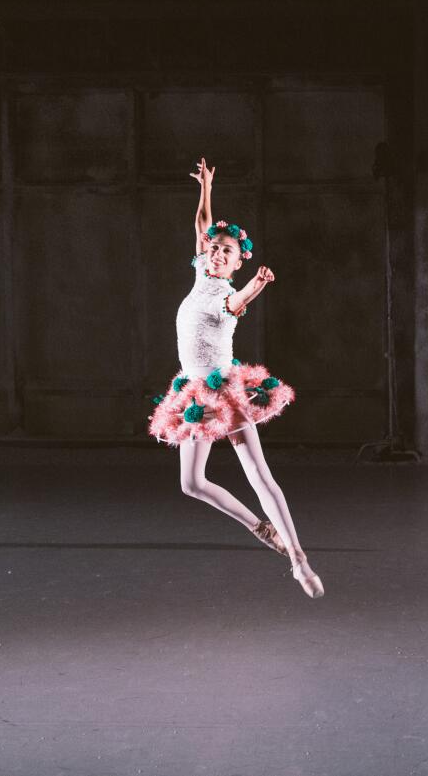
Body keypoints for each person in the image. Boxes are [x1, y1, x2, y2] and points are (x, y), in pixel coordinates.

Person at [147, 157, 324, 597]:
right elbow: (203, 224)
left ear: (237, 263)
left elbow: (235, 305)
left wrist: (256, 287)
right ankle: (261, 528)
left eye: (227, 250)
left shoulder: (227, 291)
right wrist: (206, 188)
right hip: (192, 391)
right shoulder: (199, 273)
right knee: (191, 483)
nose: (216, 251)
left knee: (259, 476)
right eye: (213, 247)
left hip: (224, 391)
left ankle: (300, 562)